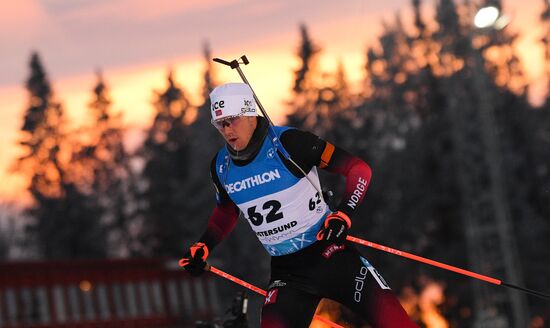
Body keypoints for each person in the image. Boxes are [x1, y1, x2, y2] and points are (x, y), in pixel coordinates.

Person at [180, 82, 417, 327]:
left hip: (330, 255)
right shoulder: (221, 167)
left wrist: (343, 214)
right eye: (220, 123)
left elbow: (359, 169)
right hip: (288, 275)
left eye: (232, 120)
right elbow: (227, 210)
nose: (227, 129)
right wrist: (204, 244)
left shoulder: (290, 143)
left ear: (250, 113)